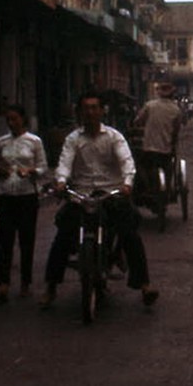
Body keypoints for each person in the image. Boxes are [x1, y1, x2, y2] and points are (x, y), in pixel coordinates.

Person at [41, 90, 158, 309]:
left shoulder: (114, 137)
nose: (91, 112)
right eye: (86, 108)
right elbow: (65, 163)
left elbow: (126, 162)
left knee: (130, 233)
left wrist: (127, 184)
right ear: (80, 112)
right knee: (63, 235)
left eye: (95, 108)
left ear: (102, 111)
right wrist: (60, 181)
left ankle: (144, 284)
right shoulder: (73, 139)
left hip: (110, 194)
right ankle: (51, 287)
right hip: (82, 195)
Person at [0, 104, 47, 303]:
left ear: (23, 119)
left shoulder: (34, 142)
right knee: (5, 240)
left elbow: (42, 168)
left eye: (14, 119)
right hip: (6, 194)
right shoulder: (1, 142)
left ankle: (25, 282)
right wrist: (0, 171)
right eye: (8, 120)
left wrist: (31, 171)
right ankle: (2, 283)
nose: (11, 123)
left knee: (26, 240)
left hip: (27, 195)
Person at [132, 81, 182, 195]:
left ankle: (147, 189)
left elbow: (138, 121)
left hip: (149, 148)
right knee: (168, 169)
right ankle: (167, 189)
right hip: (166, 149)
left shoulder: (150, 105)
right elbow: (176, 130)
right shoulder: (176, 110)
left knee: (141, 166)